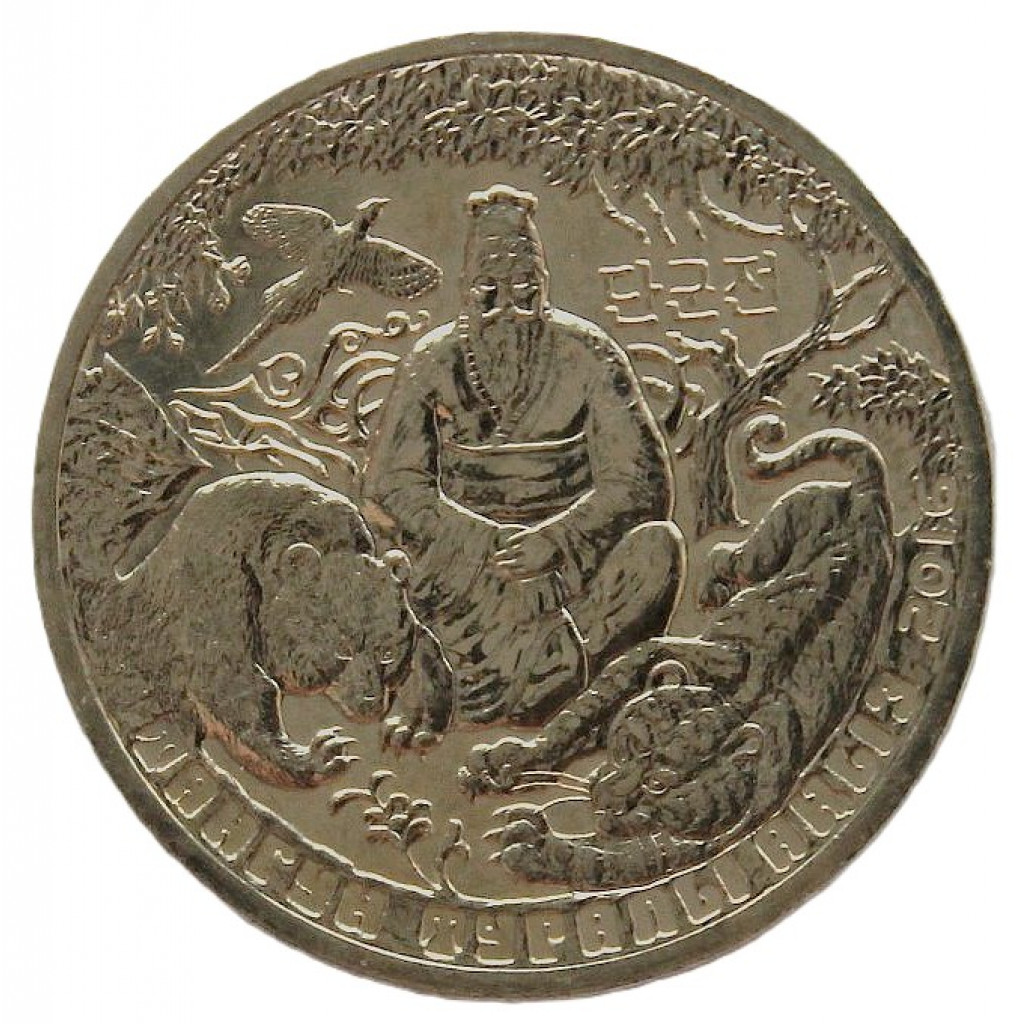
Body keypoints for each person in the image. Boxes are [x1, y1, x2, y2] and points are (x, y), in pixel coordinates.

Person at [362, 185, 683, 723]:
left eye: (524, 294)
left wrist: (556, 540)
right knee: (389, 571)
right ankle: (538, 673)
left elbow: (642, 483)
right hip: (464, 570)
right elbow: (390, 488)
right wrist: (484, 544)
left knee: (658, 549)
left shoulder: (588, 353)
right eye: (489, 295)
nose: (508, 310)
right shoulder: (433, 360)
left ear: (545, 289)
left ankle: (558, 670)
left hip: (571, 572)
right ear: (466, 293)